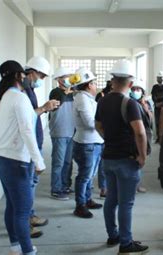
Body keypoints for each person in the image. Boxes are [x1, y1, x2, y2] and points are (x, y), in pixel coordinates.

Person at [0, 60, 44, 255]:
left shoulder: (0, 97)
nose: (28, 78)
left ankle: (15, 247)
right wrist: (38, 160)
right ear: (19, 76)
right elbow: (27, 131)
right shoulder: (20, 98)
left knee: (12, 205)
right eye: (25, 75)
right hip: (14, 162)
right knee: (22, 210)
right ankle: (28, 251)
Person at [95, 59, 149, 254]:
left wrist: (109, 138)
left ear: (112, 80)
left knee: (111, 200)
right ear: (131, 83)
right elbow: (140, 133)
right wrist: (142, 157)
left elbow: (98, 126)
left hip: (108, 158)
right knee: (126, 203)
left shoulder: (102, 100)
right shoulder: (130, 104)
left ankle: (113, 235)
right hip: (126, 160)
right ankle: (126, 243)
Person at [22, 56, 59, 238]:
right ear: (31, 72)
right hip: (27, 147)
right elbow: (25, 119)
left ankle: (30, 216)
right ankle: (25, 225)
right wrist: (44, 108)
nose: (41, 80)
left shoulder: (28, 89)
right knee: (26, 185)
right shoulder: (20, 91)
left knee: (32, 182)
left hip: (34, 143)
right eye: (41, 76)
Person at [70, 67, 104, 219]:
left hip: (93, 142)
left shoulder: (86, 98)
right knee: (84, 175)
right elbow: (90, 123)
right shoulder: (82, 99)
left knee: (89, 175)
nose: (96, 86)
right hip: (87, 143)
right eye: (94, 83)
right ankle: (80, 205)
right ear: (89, 84)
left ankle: (87, 200)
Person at [48, 67, 76, 201]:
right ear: (58, 80)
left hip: (71, 131)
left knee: (68, 162)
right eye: (65, 76)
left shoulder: (72, 93)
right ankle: (56, 189)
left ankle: (65, 185)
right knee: (58, 162)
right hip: (59, 131)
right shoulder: (55, 92)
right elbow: (58, 102)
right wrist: (67, 92)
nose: (68, 79)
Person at [129, 78, 154, 194]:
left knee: (141, 160)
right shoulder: (128, 102)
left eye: (138, 89)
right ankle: (132, 185)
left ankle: (137, 184)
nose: (136, 91)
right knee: (133, 160)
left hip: (145, 135)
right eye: (134, 89)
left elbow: (150, 120)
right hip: (132, 135)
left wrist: (144, 106)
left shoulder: (147, 104)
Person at [95, 72, 112, 198]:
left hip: (114, 131)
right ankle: (103, 187)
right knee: (102, 162)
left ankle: (108, 186)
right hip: (102, 131)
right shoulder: (100, 95)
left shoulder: (121, 94)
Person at [150, 71, 163, 143]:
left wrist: (162, 103)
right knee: (157, 122)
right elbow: (153, 96)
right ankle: (159, 137)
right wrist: (156, 103)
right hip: (157, 107)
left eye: (161, 77)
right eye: (158, 77)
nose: (160, 79)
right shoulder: (155, 87)